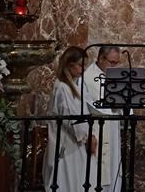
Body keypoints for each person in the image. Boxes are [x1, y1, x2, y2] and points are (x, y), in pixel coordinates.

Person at [43, 46, 97, 192]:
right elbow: (71, 118)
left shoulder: (73, 86)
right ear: (69, 65)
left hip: (76, 145)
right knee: (69, 182)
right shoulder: (62, 87)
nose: (83, 69)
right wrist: (87, 136)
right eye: (80, 65)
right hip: (68, 146)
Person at [83, 46, 122, 192]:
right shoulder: (89, 77)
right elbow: (92, 105)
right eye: (112, 62)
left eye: (116, 63)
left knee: (112, 169)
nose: (114, 67)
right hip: (97, 129)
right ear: (101, 59)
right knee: (98, 172)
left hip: (112, 129)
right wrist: (113, 104)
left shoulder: (114, 76)